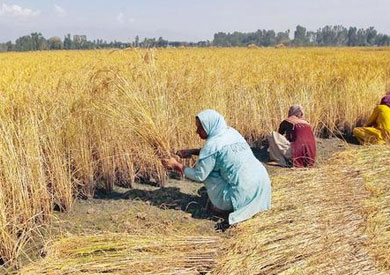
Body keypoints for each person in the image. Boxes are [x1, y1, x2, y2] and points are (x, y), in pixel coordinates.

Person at [163, 109, 271, 226]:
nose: (196, 131)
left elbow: (199, 176)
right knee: (216, 167)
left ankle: (222, 208)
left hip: (243, 192)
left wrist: (176, 165)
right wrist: (193, 151)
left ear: (209, 126)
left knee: (209, 174)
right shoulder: (231, 132)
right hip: (262, 185)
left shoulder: (211, 146)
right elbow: (223, 153)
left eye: (200, 128)